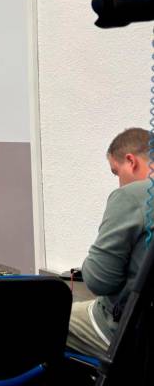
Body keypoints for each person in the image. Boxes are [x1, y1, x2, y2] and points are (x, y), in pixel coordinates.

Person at [68, 127, 152, 357]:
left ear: (131, 161)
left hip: (124, 331)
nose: (119, 183)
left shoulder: (131, 195)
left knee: (40, 321)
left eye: (116, 173)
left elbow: (99, 281)